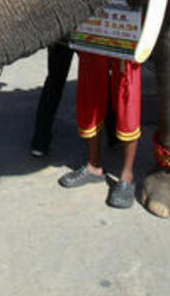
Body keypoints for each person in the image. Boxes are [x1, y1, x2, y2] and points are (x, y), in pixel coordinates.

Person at [58, 52, 141, 209]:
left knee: (127, 96)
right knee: (89, 91)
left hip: (127, 36)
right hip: (94, 35)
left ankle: (127, 176)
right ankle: (93, 166)